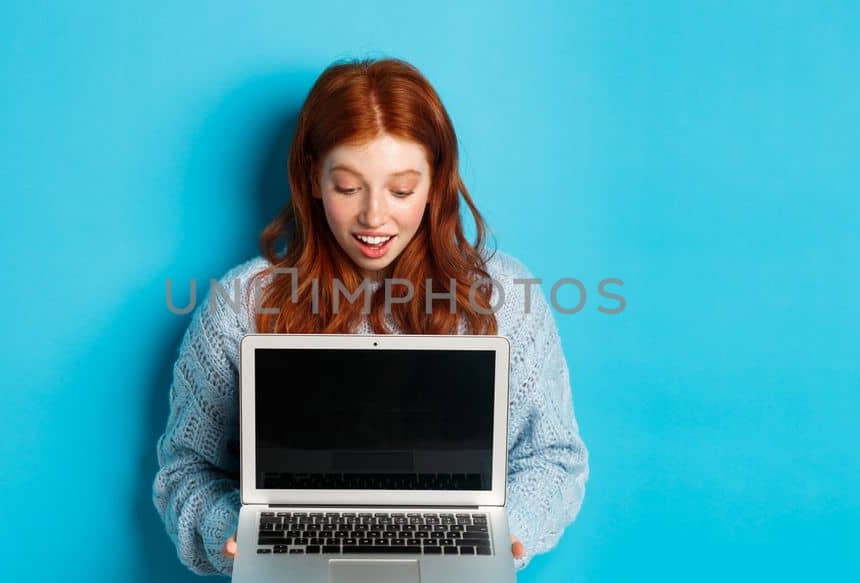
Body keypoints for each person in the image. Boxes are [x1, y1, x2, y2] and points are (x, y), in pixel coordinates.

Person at [152, 57, 589, 576]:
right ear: (313, 177)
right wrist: (232, 531)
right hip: (296, 555)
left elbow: (554, 456)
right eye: (348, 187)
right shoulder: (242, 303)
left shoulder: (502, 297)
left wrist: (506, 528)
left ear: (436, 182)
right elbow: (186, 469)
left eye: (402, 190)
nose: (374, 217)